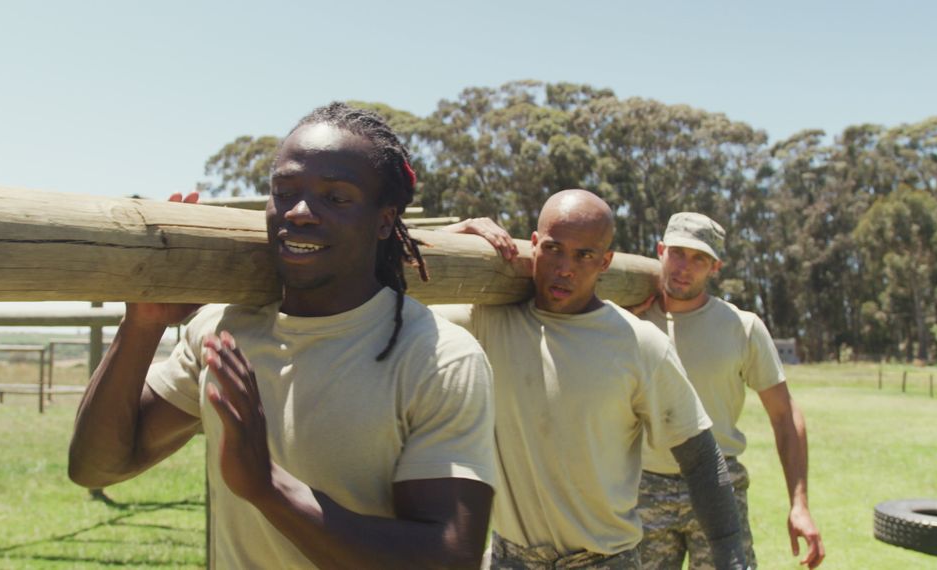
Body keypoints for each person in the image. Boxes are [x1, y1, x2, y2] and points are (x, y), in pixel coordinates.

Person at [68, 102, 497, 569]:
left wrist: (271, 489)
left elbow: (450, 557)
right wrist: (144, 324)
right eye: (284, 190)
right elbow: (95, 467)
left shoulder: (438, 358)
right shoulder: (223, 331)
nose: (300, 212)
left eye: (336, 197)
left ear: (385, 220)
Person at [436, 190, 746, 569]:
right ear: (534, 245)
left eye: (584, 255)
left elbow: (700, 458)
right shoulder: (487, 320)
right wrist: (451, 236)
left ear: (606, 262)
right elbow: (396, 297)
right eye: (553, 249)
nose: (565, 267)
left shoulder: (640, 345)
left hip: (603, 561)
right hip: (512, 559)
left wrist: (731, 554)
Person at [634, 212, 825, 569]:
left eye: (699, 258)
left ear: (715, 267)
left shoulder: (743, 327)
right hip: (645, 489)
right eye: (677, 252)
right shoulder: (629, 321)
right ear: (660, 250)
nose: (684, 267)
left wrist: (799, 503)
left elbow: (785, 416)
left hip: (719, 485)